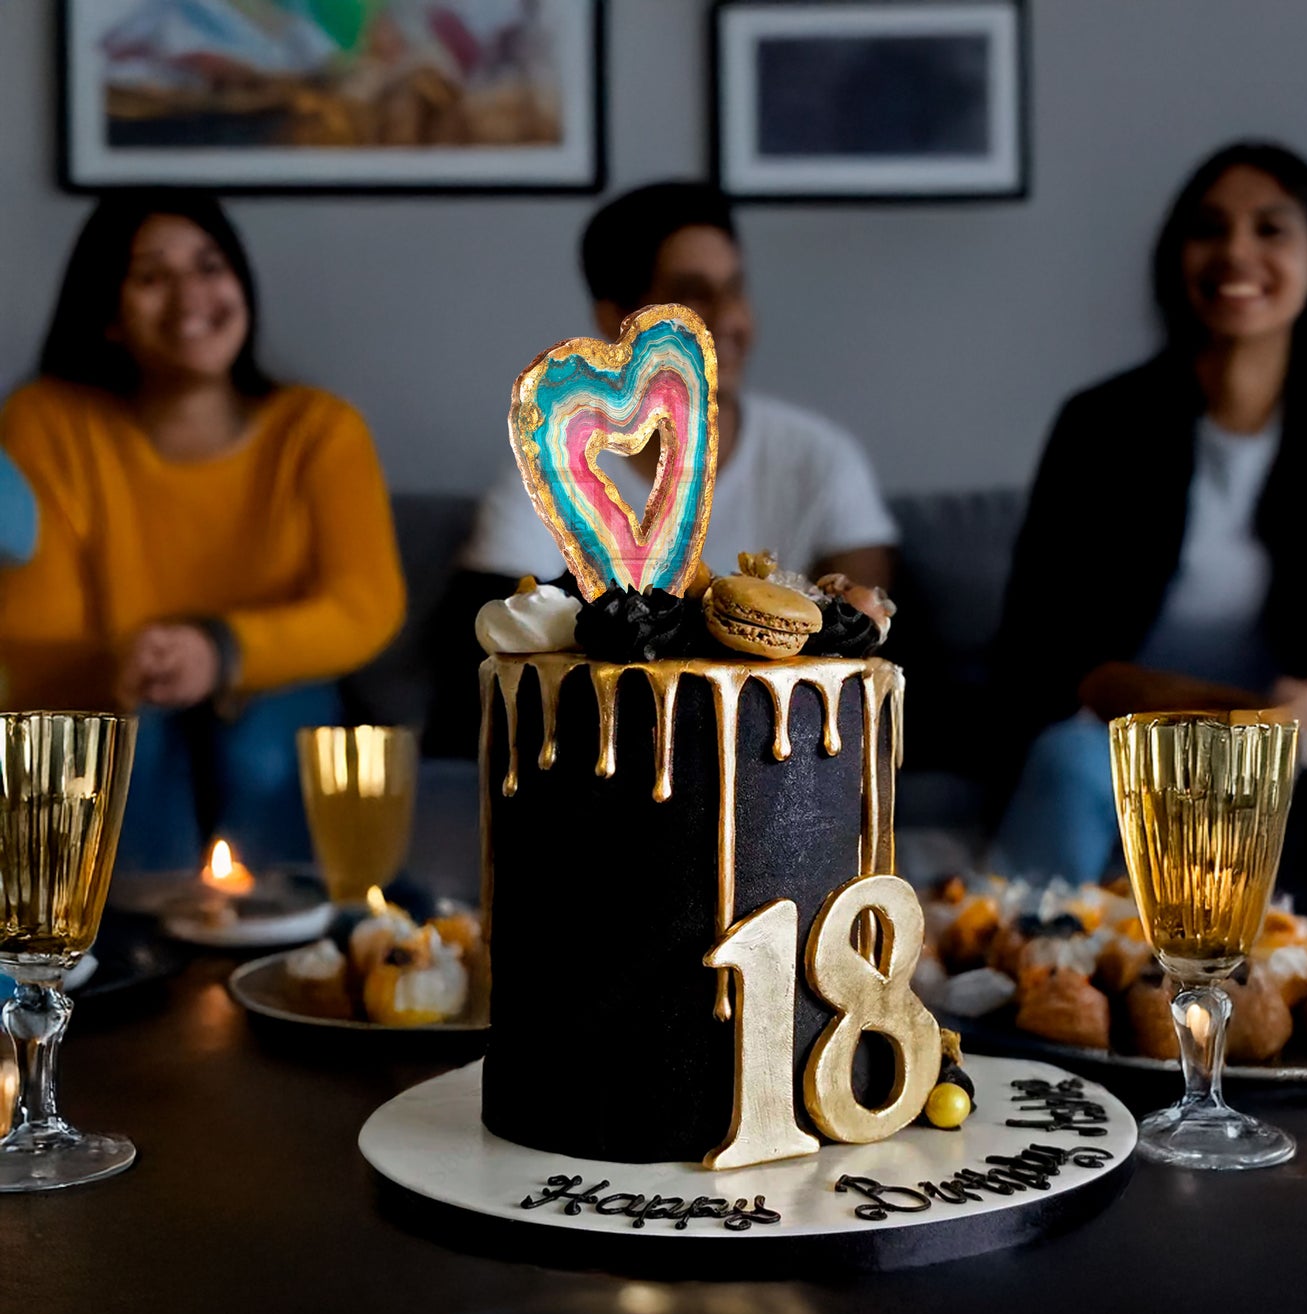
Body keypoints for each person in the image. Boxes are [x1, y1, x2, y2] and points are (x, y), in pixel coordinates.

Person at [989, 140, 1307, 952]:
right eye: (1209, 229)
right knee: (1063, 758)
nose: (1236, 251)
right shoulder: (1098, 424)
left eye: (1270, 229)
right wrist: (1199, 713)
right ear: (1176, 259)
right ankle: (1018, 981)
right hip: (1135, 741)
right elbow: (1037, 642)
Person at [0, 190, 405, 870]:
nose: (190, 297)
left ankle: (292, 952)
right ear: (107, 313)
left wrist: (219, 651)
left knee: (263, 744)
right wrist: (137, 662)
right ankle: (120, 961)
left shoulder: (319, 429)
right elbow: (31, 635)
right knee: (129, 745)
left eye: (210, 266)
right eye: (152, 276)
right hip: (113, 692)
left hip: (277, 696)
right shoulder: (46, 422)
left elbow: (366, 606)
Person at [424, 181, 898, 755]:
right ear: (616, 319)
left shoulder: (820, 459)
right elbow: (489, 633)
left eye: (736, 289)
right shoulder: (554, 468)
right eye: (693, 296)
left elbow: (864, 632)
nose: (727, 320)